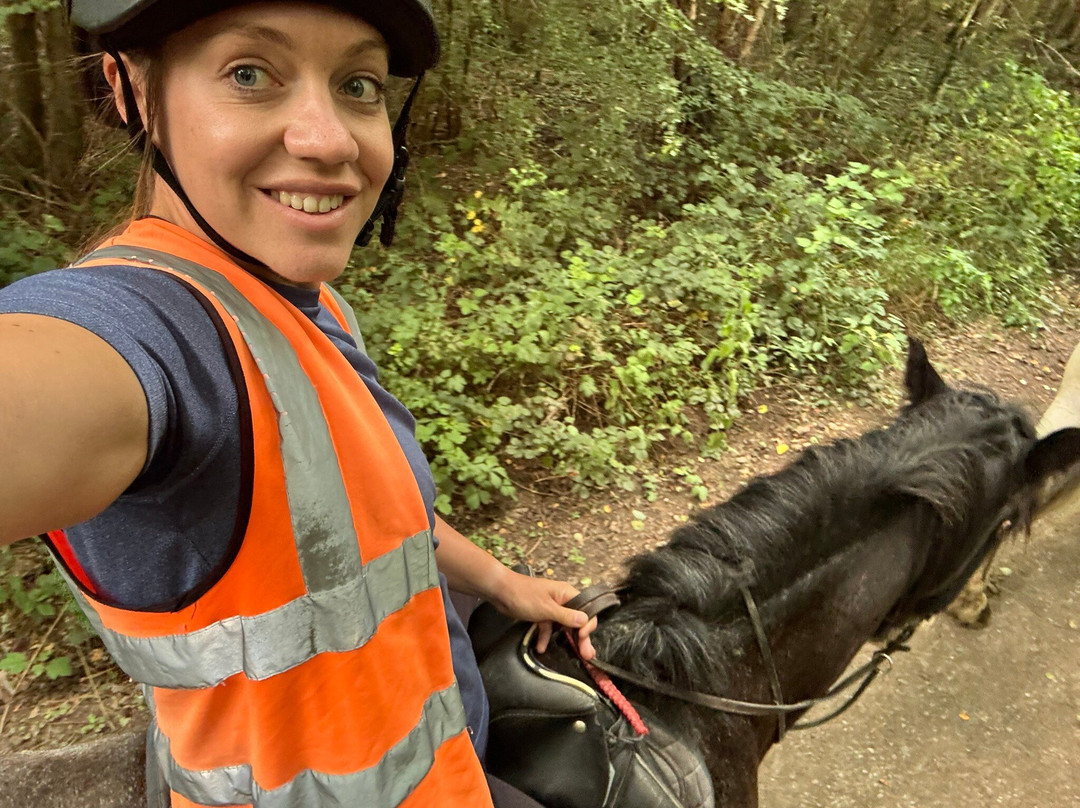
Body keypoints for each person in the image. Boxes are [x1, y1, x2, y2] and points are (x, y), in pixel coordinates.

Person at [0, 2, 597, 806]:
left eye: (358, 84)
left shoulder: (305, 304)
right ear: (131, 90)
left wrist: (497, 580)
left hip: (454, 766)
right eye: (250, 74)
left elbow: (367, 517)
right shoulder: (154, 332)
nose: (331, 139)